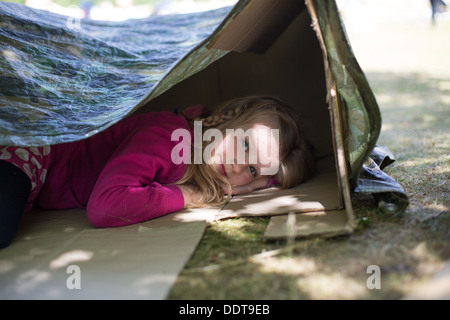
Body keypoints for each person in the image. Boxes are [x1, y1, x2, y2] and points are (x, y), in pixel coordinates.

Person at [0, 95, 315, 249]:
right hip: (35, 143)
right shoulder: (169, 138)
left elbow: (271, 173)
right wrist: (194, 194)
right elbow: (105, 206)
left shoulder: (200, 155)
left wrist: (260, 180)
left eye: (252, 168)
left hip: (40, 181)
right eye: (245, 143)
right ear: (229, 118)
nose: (236, 165)